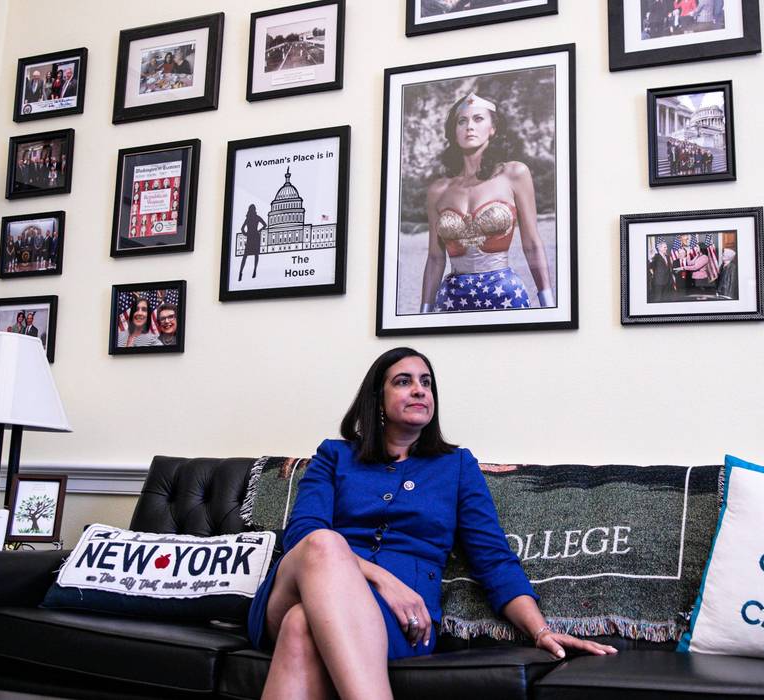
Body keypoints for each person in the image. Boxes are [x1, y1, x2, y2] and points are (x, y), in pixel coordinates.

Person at [245, 347, 616, 699]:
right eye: (403, 381)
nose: (419, 389)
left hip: (404, 620)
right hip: (304, 584)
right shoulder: (335, 455)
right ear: (377, 399)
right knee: (322, 543)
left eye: (426, 382)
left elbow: (493, 559)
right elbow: (303, 534)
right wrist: (385, 581)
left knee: (301, 625)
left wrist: (541, 631)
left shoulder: (456, 466)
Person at [420, 92, 555, 313]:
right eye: (462, 121)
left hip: (505, 294)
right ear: (454, 132)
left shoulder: (514, 174)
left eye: (478, 119)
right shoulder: (438, 190)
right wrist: (422, 314)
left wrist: (550, 306)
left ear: (493, 128)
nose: (469, 126)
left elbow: (531, 244)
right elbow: (435, 258)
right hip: (452, 299)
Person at [238, 203, 267, 281]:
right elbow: (265, 225)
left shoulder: (248, 219)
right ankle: (254, 271)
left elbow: (242, 228)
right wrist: (258, 231)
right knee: (256, 255)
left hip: (250, 237)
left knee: (245, 256)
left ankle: (240, 273)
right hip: (255, 236)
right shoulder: (257, 217)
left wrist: (246, 234)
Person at [647, 237, 677, 303]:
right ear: (659, 248)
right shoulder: (656, 256)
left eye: (666, 247)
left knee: (666, 299)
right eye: (664, 247)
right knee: (658, 299)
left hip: (668, 282)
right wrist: (651, 259)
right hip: (659, 282)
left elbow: (669, 269)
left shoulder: (668, 257)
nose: (666, 249)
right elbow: (650, 266)